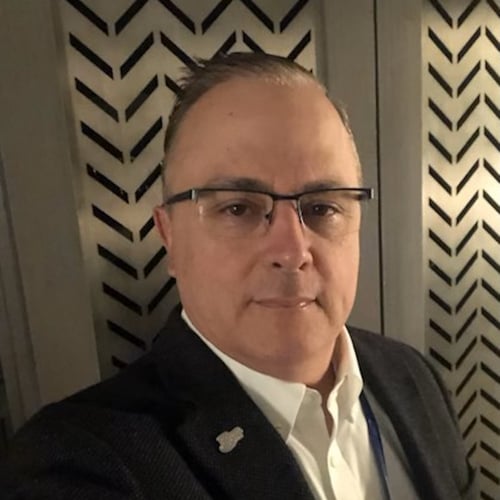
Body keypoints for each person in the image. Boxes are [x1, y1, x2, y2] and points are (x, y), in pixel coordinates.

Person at [0, 52, 475, 500]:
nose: (292, 252)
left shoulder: (413, 377)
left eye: (322, 207)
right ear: (169, 236)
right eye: (238, 208)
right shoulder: (76, 462)